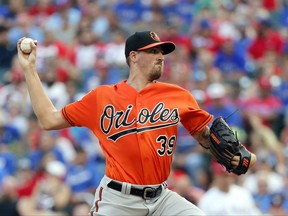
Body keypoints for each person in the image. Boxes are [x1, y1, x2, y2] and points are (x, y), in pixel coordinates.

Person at [17, 31, 256, 216]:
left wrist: (237, 154)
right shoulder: (102, 97)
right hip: (118, 199)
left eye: (162, 51)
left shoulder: (178, 95)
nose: (161, 56)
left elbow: (206, 137)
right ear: (134, 56)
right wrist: (30, 70)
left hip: (162, 198)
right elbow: (48, 119)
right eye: (153, 51)